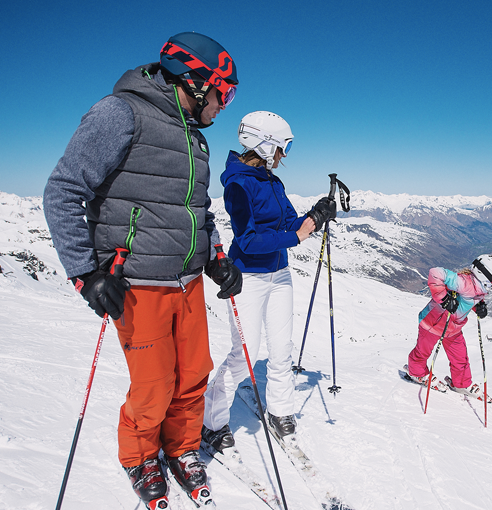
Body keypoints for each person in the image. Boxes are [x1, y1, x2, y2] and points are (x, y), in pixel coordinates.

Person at [43, 32, 242, 507]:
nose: (224, 105)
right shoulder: (120, 114)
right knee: (154, 384)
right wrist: (86, 272)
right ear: (194, 83)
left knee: (194, 373)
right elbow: (63, 191)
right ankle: (139, 455)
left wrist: (216, 255)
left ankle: (181, 447)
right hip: (137, 282)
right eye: (224, 92)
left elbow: (198, 209)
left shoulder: (195, 140)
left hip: (187, 278)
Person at [201, 111, 336, 452]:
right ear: (264, 144)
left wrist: (316, 216)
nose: (284, 155)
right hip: (248, 277)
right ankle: (211, 421)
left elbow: (291, 222)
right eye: (282, 146)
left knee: (281, 350)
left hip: (280, 274)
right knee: (243, 356)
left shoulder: (273, 181)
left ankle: (280, 411)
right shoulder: (238, 184)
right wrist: (299, 238)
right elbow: (247, 241)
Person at [406, 255, 492, 401]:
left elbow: (468, 299)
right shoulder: (463, 282)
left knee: (460, 358)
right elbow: (435, 273)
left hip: (453, 329)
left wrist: (478, 306)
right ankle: (417, 372)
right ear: (485, 277)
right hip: (432, 324)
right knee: (423, 351)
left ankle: (461, 384)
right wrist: (444, 299)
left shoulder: (478, 288)